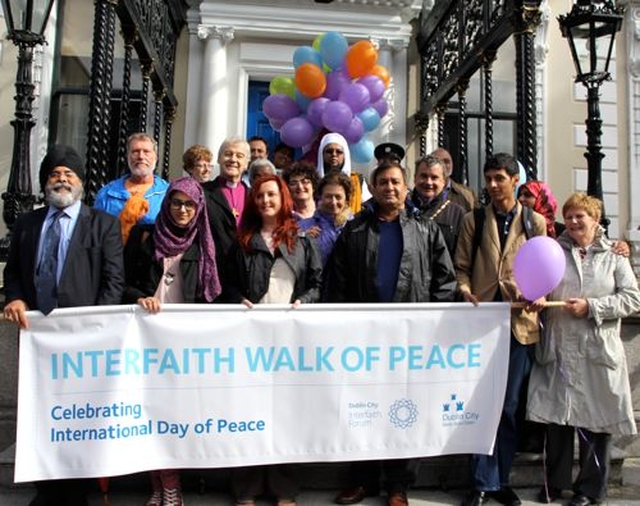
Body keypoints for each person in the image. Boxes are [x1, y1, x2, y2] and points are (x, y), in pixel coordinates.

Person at [326, 161, 457, 506]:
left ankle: (398, 485)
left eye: (395, 182)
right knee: (364, 409)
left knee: (404, 409)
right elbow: (336, 286)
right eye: (382, 182)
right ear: (373, 187)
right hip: (364, 342)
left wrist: (427, 324)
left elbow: (445, 283)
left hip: (409, 342)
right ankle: (363, 480)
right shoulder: (353, 232)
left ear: (406, 185)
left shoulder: (426, 230)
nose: (389, 188)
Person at [3, 145, 124, 506]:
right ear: (45, 183)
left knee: (78, 416)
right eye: (55, 173)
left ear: (81, 182)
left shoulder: (102, 224)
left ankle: (76, 491)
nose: (61, 179)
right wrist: (16, 298)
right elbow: (13, 275)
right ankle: (46, 489)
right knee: (42, 413)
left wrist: (96, 328)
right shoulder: (27, 224)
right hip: (38, 340)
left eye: (69, 174)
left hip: (83, 342)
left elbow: (113, 282)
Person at [526, 193, 640, 506]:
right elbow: (541, 285)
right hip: (560, 348)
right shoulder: (555, 251)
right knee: (558, 421)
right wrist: (536, 296)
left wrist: (592, 307)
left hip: (596, 351)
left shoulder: (614, 255)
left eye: (581, 216)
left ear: (595, 219)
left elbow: (633, 299)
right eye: (570, 216)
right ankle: (556, 484)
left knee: (596, 421)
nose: (574, 222)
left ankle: (589, 490)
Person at [224, 174, 322, 506]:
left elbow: (317, 284)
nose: (266, 200)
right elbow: (226, 285)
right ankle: (247, 488)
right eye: (260, 195)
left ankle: (283, 488)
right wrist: (239, 300)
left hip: (289, 340)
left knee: (286, 414)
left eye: (272, 195)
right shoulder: (242, 241)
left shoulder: (301, 239)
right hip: (249, 339)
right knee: (247, 412)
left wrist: (303, 302)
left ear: (282, 199)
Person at [455, 153, 547, 506]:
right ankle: (481, 482)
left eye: (500, 178)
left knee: (508, 407)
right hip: (480, 325)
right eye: (489, 178)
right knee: (480, 403)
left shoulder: (534, 222)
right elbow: (461, 267)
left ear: (514, 180)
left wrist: (538, 295)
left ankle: (499, 479)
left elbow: (547, 269)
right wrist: (464, 290)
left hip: (519, 328)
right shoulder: (473, 220)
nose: (493, 185)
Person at [123, 177, 221, 506]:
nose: (182, 210)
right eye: (177, 203)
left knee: (175, 415)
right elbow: (123, 283)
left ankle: (172, 483)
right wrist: (140, 298)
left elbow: (213, 295)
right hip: (148, 337)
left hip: (186, 343)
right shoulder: (144, 236)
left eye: (189, 204)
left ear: (198, 208)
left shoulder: (203, 241)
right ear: (167, 204)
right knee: (150, 412)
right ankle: (161, 486)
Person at [94, 132, 169, 243]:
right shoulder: (107, 193)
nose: (141, 156)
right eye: (135, 151)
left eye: (146, 152)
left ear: (155, 157)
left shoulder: (167, 193)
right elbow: (95, 233)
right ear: (128, 157)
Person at [202, 137, 250, 289]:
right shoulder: (203, 191)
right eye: (228, 154)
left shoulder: (255, 195)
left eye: (239, 156)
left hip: (245, 271)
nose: (233, 159)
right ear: (219, 158)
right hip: (214, 269)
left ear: (247, 163)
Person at [411, 154, 466, 254]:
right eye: (423, 176)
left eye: (434, 177)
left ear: (443, 182)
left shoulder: (457, 213)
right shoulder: (403, 208)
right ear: (415, 179)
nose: (428, 182)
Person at [299, 172, 352, 265]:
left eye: (338, 197)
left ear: (346, 198)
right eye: (328, 197)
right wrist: (302, 241)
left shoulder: (356, 228)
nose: (333, 202)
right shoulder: (303, 227)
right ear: (320, 197)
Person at [317, 132, 370, 213]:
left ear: (345, 155)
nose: (334, 154)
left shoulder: (357, 181)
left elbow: (368, 206)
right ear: (322, 154)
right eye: (329, 151)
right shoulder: (312, 181)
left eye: (339, 151)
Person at [431, 147, 476, 212]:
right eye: (439, 161)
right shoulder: (423, 191)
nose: (443, 165)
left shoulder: (468, 194)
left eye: (446, 161)